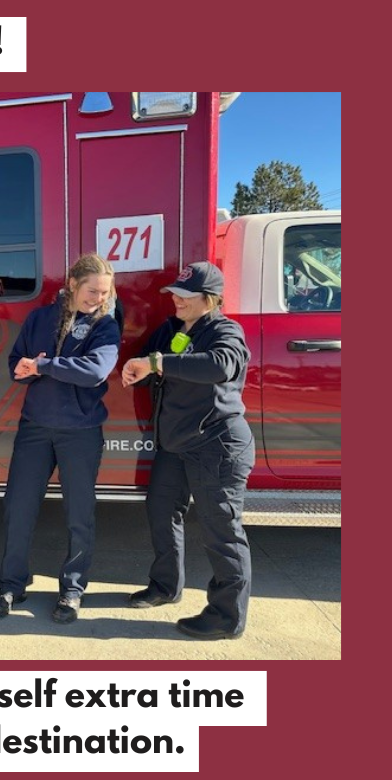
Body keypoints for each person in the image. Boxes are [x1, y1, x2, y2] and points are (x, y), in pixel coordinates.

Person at [121, 261, 255, 639]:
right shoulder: (172, 328)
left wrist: (156, 363)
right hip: (176, 445)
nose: (175, 301)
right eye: (174, 294)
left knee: (222, 531)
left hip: (216, 445)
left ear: (209, 299)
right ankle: (165, 587)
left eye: (184, 296)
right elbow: (149, 359)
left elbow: (220, 365)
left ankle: (227, 618)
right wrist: (138, 369)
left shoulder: (226, 331)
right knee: (162, 512)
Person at [0, 253, 121, 624]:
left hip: (81, 431)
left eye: (104, 292)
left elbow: (94, 371)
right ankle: (11, 585)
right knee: (18, 507)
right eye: (92, 290)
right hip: (35, 428)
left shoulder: (105, 325)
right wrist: (24, 369)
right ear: (73, 284)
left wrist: (44, 365)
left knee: (79, 513)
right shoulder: (40, 318)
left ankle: (72, 590)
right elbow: (16, 364)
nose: (98, 298)